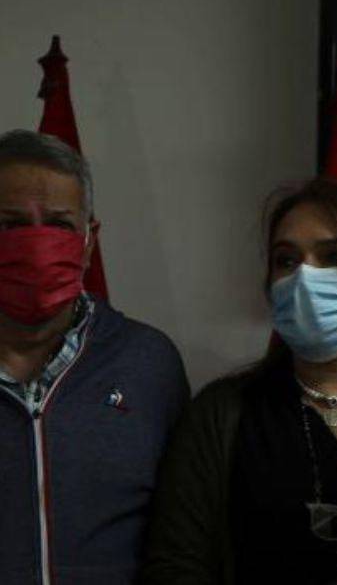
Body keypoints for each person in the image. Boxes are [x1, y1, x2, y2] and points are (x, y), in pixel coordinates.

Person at [141, 178, 337, 584]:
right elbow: (174, 567)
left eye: (333, 257)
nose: (305, 277)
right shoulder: (223, 414)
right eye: (286, 261)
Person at [0, 129, 190, 584]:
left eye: (59, 225)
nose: (37, 244)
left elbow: (183, 540)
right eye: (12, 225)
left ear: (89, 241)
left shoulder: (148, 363)